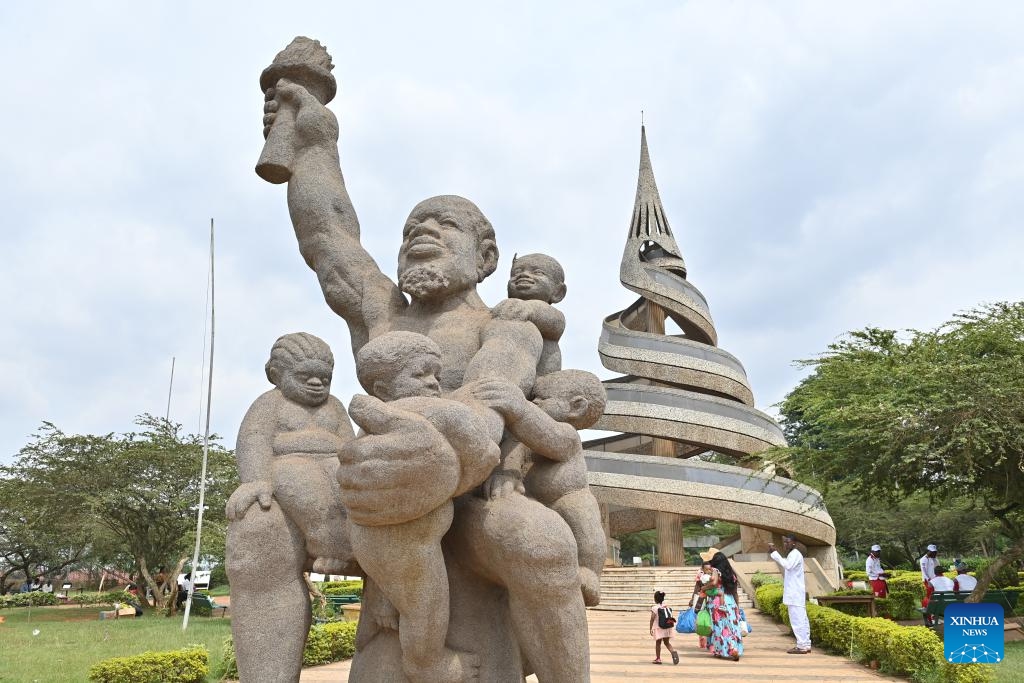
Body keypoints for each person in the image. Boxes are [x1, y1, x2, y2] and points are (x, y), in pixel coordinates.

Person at [233, 63, 590, 683]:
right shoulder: (383, 312)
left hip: (474, 498)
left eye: (442, 225)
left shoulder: (508, 323)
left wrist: (427, 462)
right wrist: (316, 139)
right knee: (257, 524)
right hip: (375, 496)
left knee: (542, 546)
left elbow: (485, 410)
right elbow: (327, 235)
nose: (419, 232)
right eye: (409, 230)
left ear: (484, 258)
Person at [344, 331, 501, 682]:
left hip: (368, 535)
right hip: (411, 541)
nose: (433, 382)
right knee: (426, 608)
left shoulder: (370, 423)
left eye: (436, 375)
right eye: (420, 374)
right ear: (383, 388)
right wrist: (460, 479)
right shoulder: (442, 411)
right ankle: (427, 664)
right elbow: (485, 454)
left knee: (404, 589)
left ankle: (381, 600)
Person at [473, 368, 608, 606]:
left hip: (566, 498)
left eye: (541, 399)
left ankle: (589, 571)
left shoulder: (567, 435)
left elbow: (549, 437)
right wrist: (507, 473)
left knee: (584, 519)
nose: (533, 402)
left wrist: (519, 408)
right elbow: (514, 451)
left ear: (575, 407)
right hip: (536, 502)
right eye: (531, 399)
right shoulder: (525, 437)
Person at [226, 332, 356, 575]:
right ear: (277, 375)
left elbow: (349, 444)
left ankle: (354, 541)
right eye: (305, 376)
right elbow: (254, 439)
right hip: (289, 463)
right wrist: (256, 480)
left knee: (346, 491)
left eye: (325, 378)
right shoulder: (270, 403)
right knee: (306, 488)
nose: (317, 383)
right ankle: (329, 543)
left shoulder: (335, 406)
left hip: (334, 462)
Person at [481, 252, 567, 378]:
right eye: (516, 272)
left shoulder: (552, 314)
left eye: (538, 272)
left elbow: (555, 323)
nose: (524, 274)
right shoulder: (506, 309)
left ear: (558, 292)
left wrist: (528, 309)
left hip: (541, 379)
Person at [769, 535, 811, 654]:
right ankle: (806, 643)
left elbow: (787, 565)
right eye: (784, 542)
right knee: (802, 619)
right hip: (795, 592)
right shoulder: (793, 554)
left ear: (794, 543)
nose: (785, 544)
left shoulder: (795, 554)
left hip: (795, 593)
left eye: (788, 542)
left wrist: (775, 554)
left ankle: (802, 645)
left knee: (797, 619)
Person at [699, 549, 744, 661]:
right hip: (731, 602)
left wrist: (704, 588)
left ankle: (719, 650)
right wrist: (737, 606)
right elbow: (735, 592)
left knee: (719, 627)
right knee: (732, 627)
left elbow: (714, 583)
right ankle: (734, 649)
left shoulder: (715, 570)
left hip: (717, 602)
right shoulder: (731, 574)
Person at [687, 560, 714, 649]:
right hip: (702, 601)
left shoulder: (714, 576)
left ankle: (711, 642)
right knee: (702, 620)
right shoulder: (700, 577)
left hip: (713, 601)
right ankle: (702, 641)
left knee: (712, 621)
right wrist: (692, 599)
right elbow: (697, 588)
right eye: (706, 569)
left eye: (710, 569)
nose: (708, 571)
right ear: (702, 569)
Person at [649, 590, 680, 665]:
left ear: (655, 599)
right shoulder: (666, 606)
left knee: (658, 643)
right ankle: (673, 652)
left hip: (659, 628)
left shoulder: (655, 608)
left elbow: (652, 618)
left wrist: (650, 628)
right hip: (667, 627)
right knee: (667, 642)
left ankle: (658, 659)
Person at [919, 544, 939, 611]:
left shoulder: (934, 559)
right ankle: (929, 610)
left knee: (935, 596)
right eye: (933, 552)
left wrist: (935, 559)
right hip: (928, 581)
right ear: (928, 551)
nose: (934, 553)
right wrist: (929, 580)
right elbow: (924, 571)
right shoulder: (923, 559)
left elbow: (938, 568)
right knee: (930, 596)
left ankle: (934, 610)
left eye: (935, 552)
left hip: (935, 581)